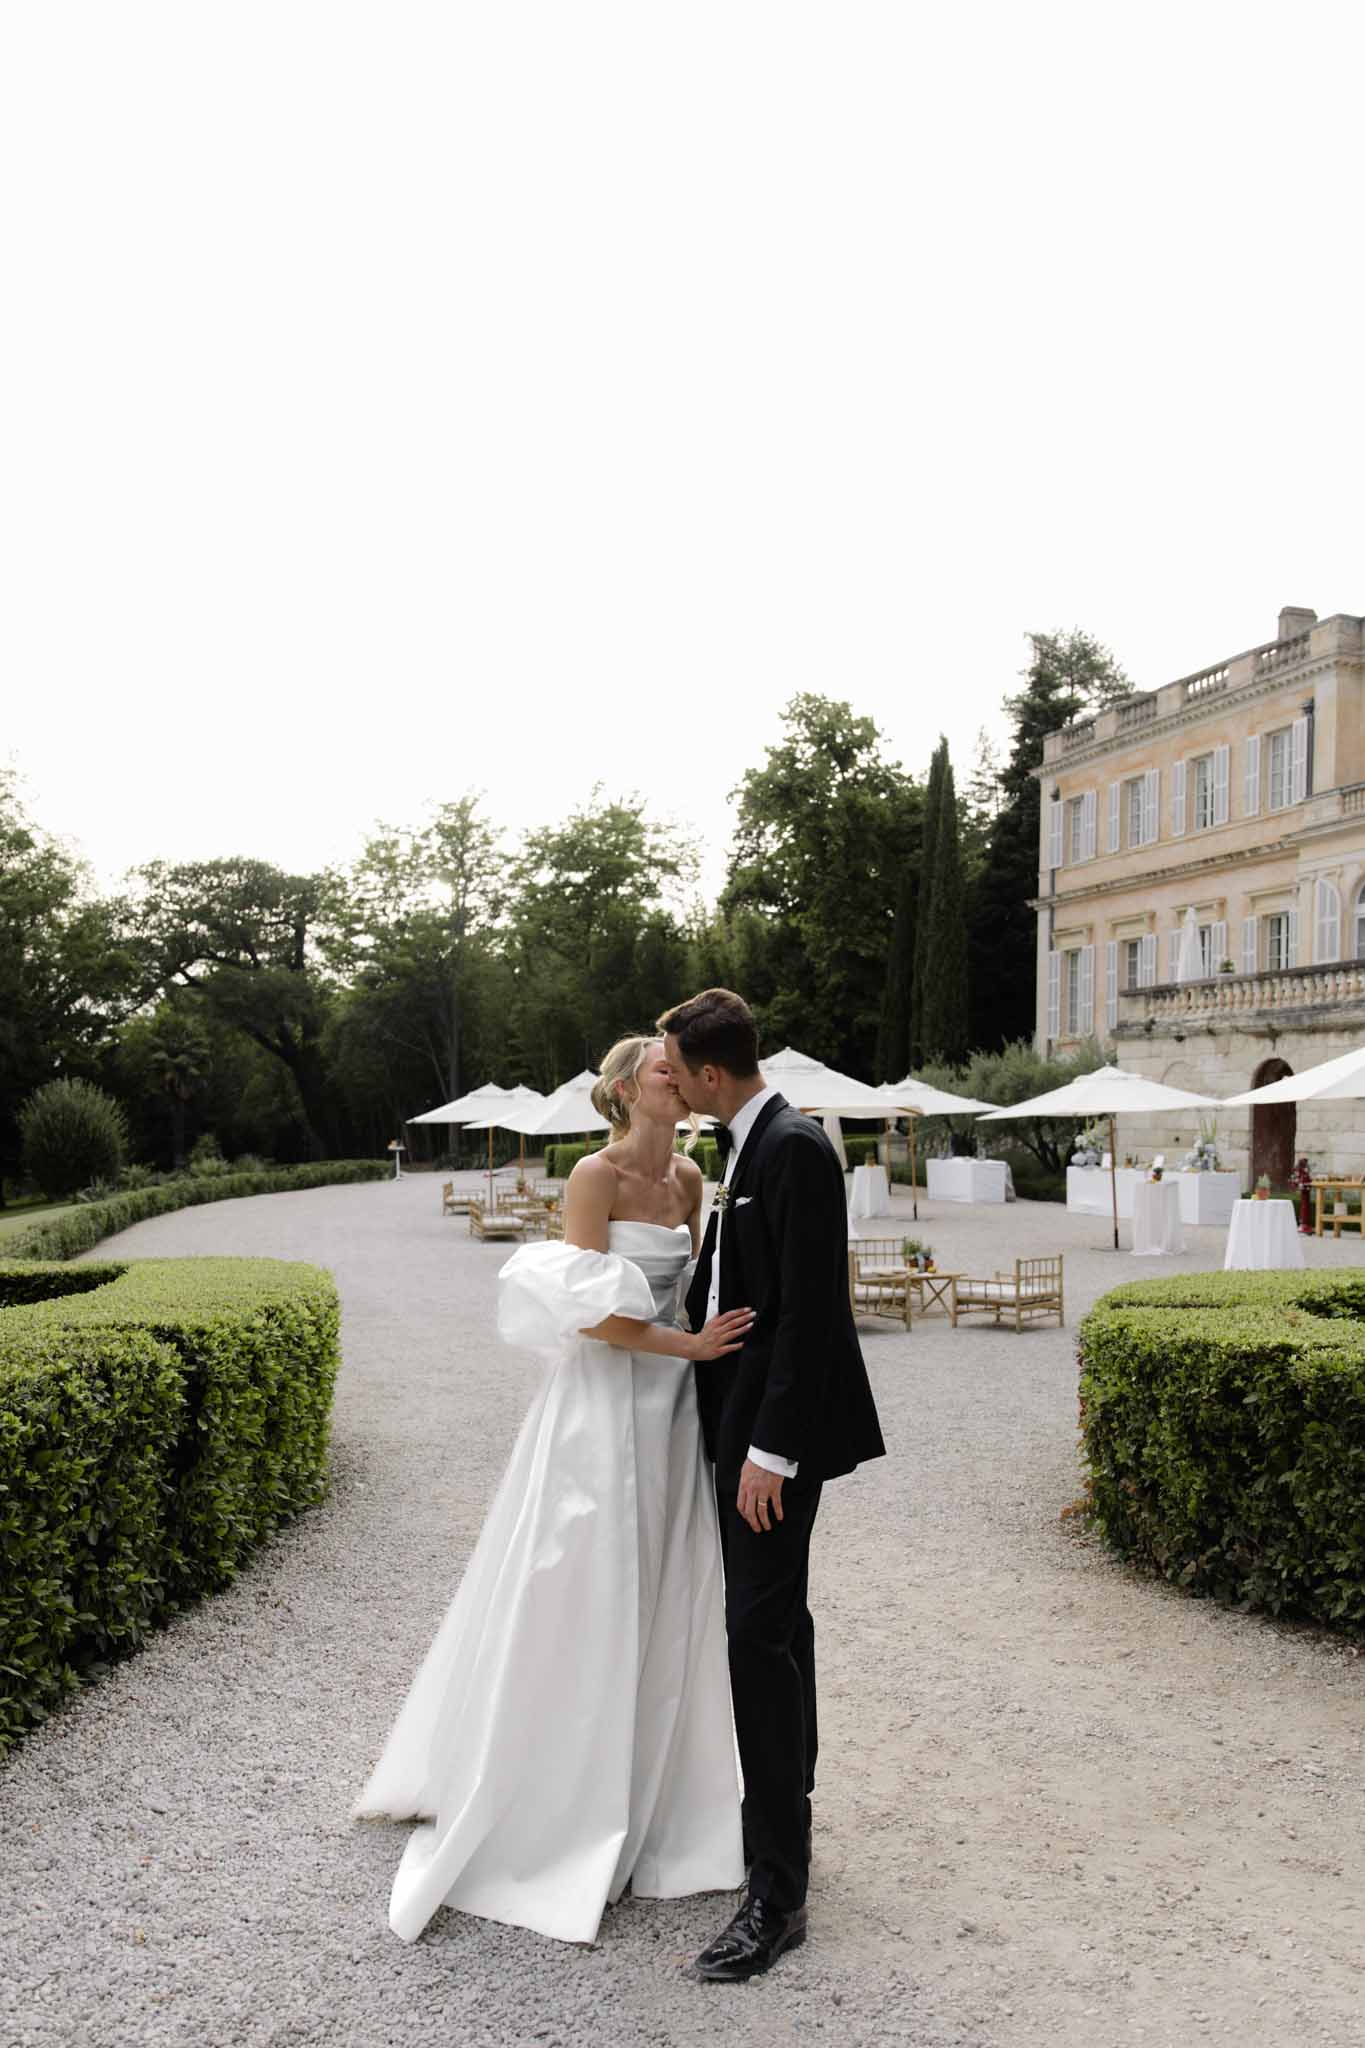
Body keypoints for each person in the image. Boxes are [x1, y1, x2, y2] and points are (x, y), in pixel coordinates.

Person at [351, 1036, 753, 1945]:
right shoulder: (594, 1177)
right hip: (603, 1405)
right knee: (583, 1578)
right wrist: (686, 1348)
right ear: (623, 1089)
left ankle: (659, 1798)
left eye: (680, 1068)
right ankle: (554, 1795)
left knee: (665, 1582)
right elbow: (594, 1314)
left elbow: (695, 1285)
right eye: (662, 1066)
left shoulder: (691, 1179)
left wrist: (715, 1360)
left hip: (675, 1410)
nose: (677, 1076)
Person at [658, 988, 886, 1983]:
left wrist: (772, 1452)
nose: (671, 1079)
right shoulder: (748, 1144)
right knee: (777, 1629)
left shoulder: (792, 1146)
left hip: (766, 1448)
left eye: (676, 1066)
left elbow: (810, 1320)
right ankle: (786, 1834)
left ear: (713, 1073)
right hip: (734, 1429)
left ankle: (776, 1894)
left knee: (758, 1636)